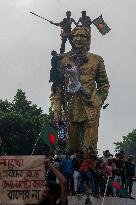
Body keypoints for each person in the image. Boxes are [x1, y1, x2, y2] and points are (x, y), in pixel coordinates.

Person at [50, 26, 110, 155]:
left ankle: (91, 171)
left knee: (90, 149)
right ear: (71, 39)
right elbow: (56, 88)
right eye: (75, 36)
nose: (78, 39)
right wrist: (56, 111)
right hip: (71, 110)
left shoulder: (96, 60)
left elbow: (104, 84)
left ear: (88, 39)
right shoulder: (62, 60)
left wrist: (99, 100)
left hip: (91, 108)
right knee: (73, 149)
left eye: (82, 36)